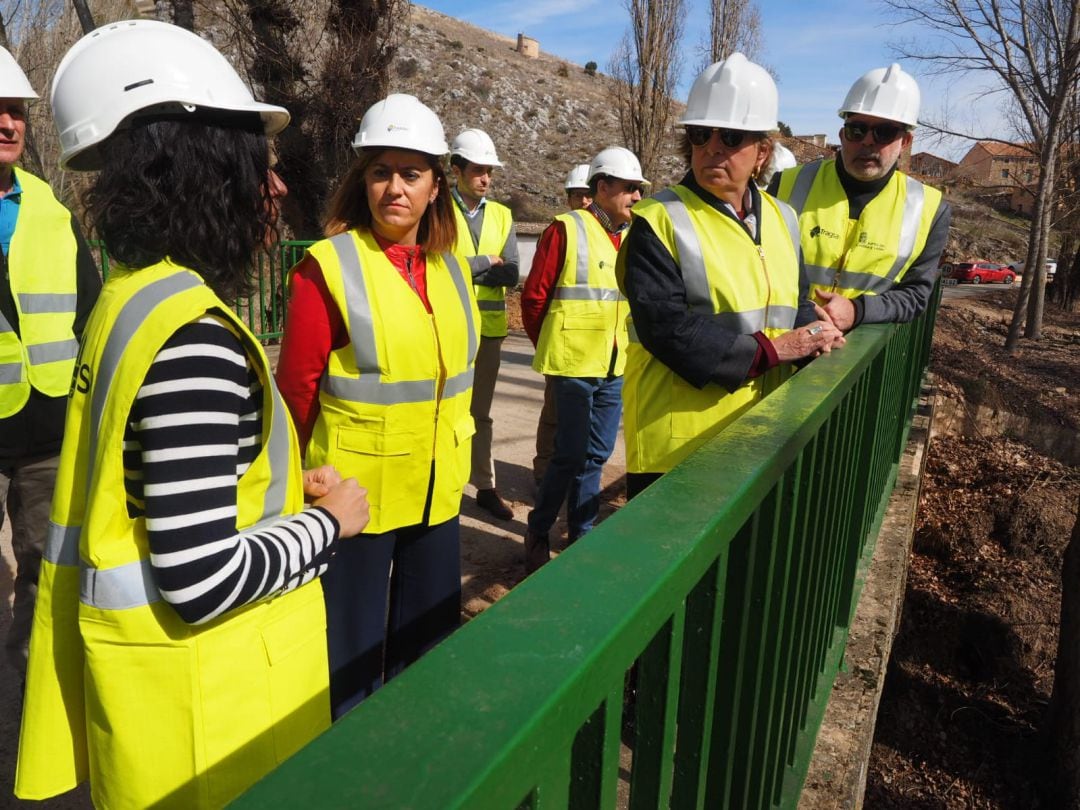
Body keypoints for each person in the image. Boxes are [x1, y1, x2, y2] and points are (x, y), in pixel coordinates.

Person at [16, 20, 368, 809]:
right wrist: (331, 523)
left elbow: (159, 491)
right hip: (207, 728)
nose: (275, 189)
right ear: (202, 171)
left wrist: (274, 493)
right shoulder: (194, 341)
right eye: (258, 167)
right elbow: (202, 578)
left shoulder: (129, 299)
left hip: (162, 715)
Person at [276, 94, 479, 718]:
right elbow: (295, 392)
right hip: (353, 501)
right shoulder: (327, 268)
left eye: (411, 173)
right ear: (360, 180)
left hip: (437, 493)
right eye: (380, 171)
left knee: (430, 655)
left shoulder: (453, 269)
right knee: (348, 666)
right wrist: (289, 489)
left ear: (435, 186)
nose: (395, 188)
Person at [617, 53, 844, 500]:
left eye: (731, 136)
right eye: (701, 135)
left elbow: (793, 303)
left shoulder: (783, 218)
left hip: (760, 433)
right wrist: (775, 350)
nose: (712, 147)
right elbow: (667, 328)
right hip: (678, 447)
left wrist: (818, 335)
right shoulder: (658, 221)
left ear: (763, 152)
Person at [0, 47, 100, 681]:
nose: (7, 124)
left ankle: (34, 691)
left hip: (46, 433)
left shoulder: (51, 208)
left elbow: (89, 312)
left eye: (16, 113)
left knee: (46, 566)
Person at [520, 146, 643, 573]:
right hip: (572, 366)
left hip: (613, 364)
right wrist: (552, 345)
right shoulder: (566, 229)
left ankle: (582, 534)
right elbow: (534, 298)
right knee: (568, 454)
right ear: (602, 187)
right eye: (629, 188)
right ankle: (538, 530)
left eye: (638, 189)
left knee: (597, 454)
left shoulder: (632, 237)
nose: (636, 197)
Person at [770, 64, 951, 329]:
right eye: (857, 130)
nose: (867, 142)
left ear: (906, 142)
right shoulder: (785, 184)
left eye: (884, 132)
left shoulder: (929, 209)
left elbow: (916, 296)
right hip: (781, 342)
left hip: (855, 361)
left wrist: (858, 310)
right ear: (842, 135)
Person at [449, 128, 519, 520]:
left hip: (488, 333)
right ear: (456, 169)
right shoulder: (437, 209)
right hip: (447, 328)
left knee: (480, 414)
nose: (486, 178)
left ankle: (485, 487)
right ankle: (443, 483)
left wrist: (481, 269)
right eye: (478, 170)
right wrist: (482, 263)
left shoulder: (503, 215)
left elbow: (511, 273)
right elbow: (436, 266)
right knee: (441, 410)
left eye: (489, 171)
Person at [531, 162, 594, 489]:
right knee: (555, 420)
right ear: (568, 198)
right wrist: (544, 340)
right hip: (565, 351)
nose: (584, 202)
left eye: (588, 195)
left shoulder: (619, 233)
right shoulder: (561, 231)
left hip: (603, 355)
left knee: (590, 427)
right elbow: (536, 296)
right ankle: (544, 477)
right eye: (577, 196)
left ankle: (576, 483)